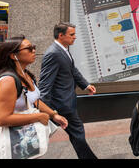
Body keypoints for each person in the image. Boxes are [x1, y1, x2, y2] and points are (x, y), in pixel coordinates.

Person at [0, 36, 68, 159]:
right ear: (13, 56)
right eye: (29, 49)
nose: (34, 51)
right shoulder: (8, 81)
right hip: (4, 147)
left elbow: (33, 100)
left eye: (33, 47)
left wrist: (53, 115)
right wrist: (38, 116)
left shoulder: (26, 75)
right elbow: (3, 119)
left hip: (22, 144)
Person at [39, 22, 98, 159]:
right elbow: (45, 84)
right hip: (61, 104)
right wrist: (44, 110)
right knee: (77, 132)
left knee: (76, 133)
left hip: (65, 102)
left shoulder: (63, 49)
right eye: (71, 34)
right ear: (61, 35)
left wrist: (85, 85)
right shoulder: (53, 53)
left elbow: (72, 70)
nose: (75, 37)